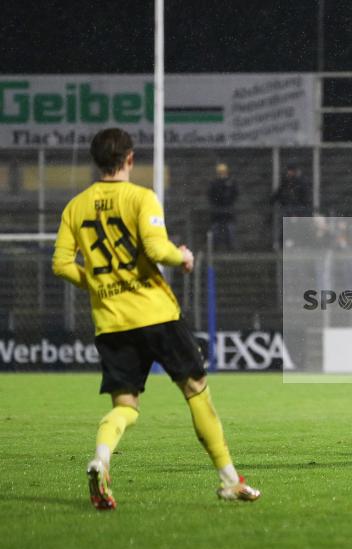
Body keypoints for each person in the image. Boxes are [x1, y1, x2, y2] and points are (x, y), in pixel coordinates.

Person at [52, 129, 260, 510]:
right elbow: (154, 247)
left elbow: (61, 264)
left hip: (112, 321)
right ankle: (230, 480)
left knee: (126, 406)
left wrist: (99, 283)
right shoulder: (140, 197)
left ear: (97, 161)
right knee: (196, 389)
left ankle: (101, 458)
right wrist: (182, 255)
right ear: (129, 159)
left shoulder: (74, 208)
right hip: (156, 313)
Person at [271, 164, 312, 249]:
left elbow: (305, 199)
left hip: (297, 210)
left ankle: (295, 244)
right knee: (287, 228)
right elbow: (279, 193)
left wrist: (297, 212)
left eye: (290, 171)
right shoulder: (287, 182)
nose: (288, 173)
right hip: (289, 209)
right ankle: (285, 244)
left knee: (295, 228)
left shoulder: (301, 182)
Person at [207, 162, 239, 250]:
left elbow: (234, 194)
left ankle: (231, 249)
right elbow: (211, 195)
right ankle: (215, 248)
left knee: (230, 230)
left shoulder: (231, 183)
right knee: (215, 231)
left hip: (228, 211)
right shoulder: (214, 183)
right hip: (217, 212)